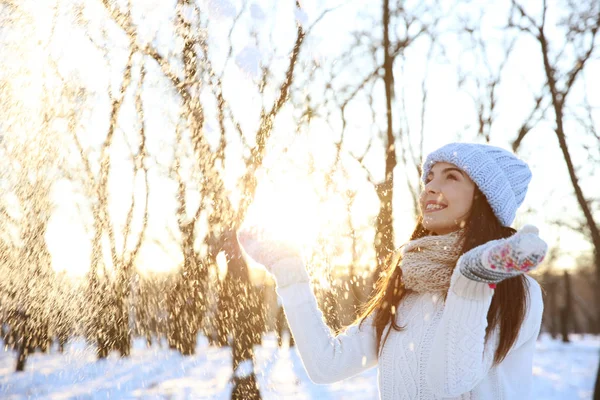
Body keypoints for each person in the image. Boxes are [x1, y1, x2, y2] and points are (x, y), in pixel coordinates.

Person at [238, 142, 547, 399]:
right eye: (429, 178)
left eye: (451, 177)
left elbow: (450, 381)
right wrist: (288, 270)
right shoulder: (408, 285)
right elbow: (326, 365)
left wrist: (471, 283)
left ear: (485, 200)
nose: (430, 188)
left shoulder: (514, 289)